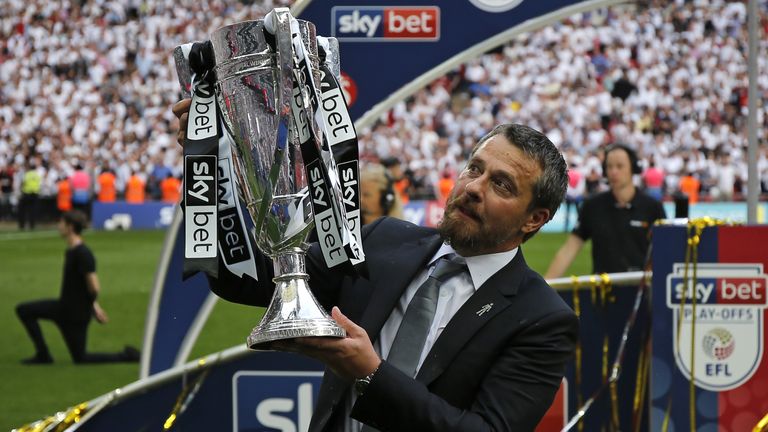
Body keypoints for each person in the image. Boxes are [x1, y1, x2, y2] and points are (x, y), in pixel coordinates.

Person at [176, 98, 577, 431]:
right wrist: (210, 172)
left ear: (534, 219)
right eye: (475, 168)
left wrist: (371, 372)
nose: (473, 188)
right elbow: (249, 279)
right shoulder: (383, 240)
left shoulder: (541, 318)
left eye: (501, 184)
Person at [15, 210, 140, 364]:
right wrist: (93, 305)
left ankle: (127, 356)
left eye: (61, 223)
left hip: (75, 315)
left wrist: (92, 307)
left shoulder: (83, 253)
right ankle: (43, 354)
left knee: (81, 358)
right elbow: (87, 287)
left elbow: (94, 287)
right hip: (65, 309)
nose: (59, 226)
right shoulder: (72, 251)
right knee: (24, 310)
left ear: (70, 227)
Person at [545, 144, 667, 278]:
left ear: (633, 169)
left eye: (620, 166)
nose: (613, 171)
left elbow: (666, 251)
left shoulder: (652, 207)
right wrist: (546, 287)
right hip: (602, 291)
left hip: (641, 290)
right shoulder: (592, 206)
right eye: (609, 166)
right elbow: (569, 249)